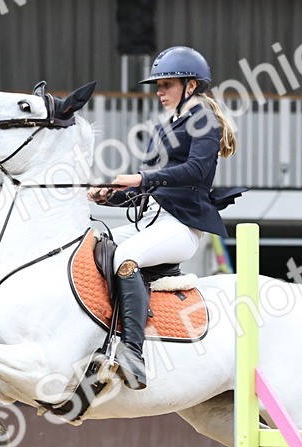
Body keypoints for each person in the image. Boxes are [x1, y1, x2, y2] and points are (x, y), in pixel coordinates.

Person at [89, 45, 238, 390]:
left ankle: (133, 355)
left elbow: (197, 170)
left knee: (126, 258)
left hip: (181, 227)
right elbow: (153, 188)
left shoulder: (205, 121)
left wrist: (141, 178)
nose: (159, 92)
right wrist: (110, 195)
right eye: (158, 86)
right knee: (97, 248)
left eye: (166, 85)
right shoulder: (165, 128)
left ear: (191, 86)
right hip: (154, 220)